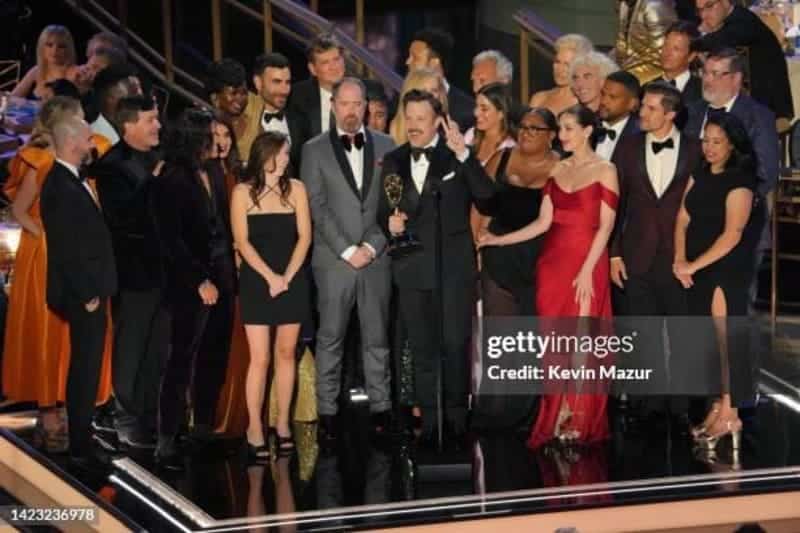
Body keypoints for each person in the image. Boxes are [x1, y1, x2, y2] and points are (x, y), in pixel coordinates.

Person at [479, 105, 619, 448]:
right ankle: (557, 414)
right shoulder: (558, 169)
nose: (563, 135)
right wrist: (497, 239)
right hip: (552, 266)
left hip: (587, 264)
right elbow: (542, 223)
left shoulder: (606, 170)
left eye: (570, 128)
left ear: (588, 131)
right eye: (561, 129)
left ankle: (577, 416)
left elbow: (606, 228)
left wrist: (588, 270)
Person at [377, 90, 495, 439]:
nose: (413, 126)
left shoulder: (455, 157)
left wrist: (464, 154)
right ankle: (429, 426)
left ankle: (458, 425)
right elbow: (385, 208)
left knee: (455, 345)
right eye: (409, 118)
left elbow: (489, 200)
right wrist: (390, 224)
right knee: (424, 347)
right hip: (412, 268)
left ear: (438, 123)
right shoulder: (394, 159)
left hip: (454, 270)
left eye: (421, 119)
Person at [2, 97, 113, 417]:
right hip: (47, 259)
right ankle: (51, 410)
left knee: (75, 340)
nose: (88, 127)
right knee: (50, 332)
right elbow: (20, 211)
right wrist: (47, 235)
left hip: (78, 255)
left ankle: (72, 410)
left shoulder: (83, 163)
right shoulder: (42, 163)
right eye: (80, 120)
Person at [302, 78, 396, 443]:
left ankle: (382, 410)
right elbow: (317, 206)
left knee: (377, 337)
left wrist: (371, 248)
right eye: (345, 104)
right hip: (333, 261)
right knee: (330, 338)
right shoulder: (314, 150)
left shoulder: (387, 146)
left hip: (376, 258)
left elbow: (392, 203)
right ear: (333, 106)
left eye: (358, 104)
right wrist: (346, 250)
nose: (352, 111)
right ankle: (327, 413)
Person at [673, 112, 765, 459]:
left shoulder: (740, 182)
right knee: (711, 344)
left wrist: (692, 264)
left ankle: (732, 414)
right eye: (706, 140)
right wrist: (680, 260)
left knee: (729, 343)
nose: (709, 148)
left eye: (717, 142)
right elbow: (682, 218)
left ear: (733, 145)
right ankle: (718, 406)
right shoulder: (699, 174)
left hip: (725, 269)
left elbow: (732, 235)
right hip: (695, 268)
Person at [610, 82, 701, 424]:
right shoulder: (628, 147)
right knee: (641, 334)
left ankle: (682, 409)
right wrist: (614, 253)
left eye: (650, 108)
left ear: (670, 113)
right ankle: (643, 407)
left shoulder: (695, 149)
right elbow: (615, 204)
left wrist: (696, 257)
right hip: (637, 255)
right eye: (642, 107)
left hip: (681, 257)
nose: (641, 113)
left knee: (683, 334)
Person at [150, 109, 236, 470]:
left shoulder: (214, 172)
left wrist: (224, 275)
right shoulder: (172, 179)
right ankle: (167, 440)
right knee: (181, 360)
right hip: (189, 283)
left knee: (214, 355)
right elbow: (171, 241)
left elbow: (221, 226)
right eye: (208, 136)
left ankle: (202, 429)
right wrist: (199, 281)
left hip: (222, 274)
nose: (216, 142)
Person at [40, 116, 117, 471]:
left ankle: (83, 438)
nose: (93, 145)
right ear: (72, 142)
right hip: (83, 292)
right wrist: (87, 292)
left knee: (86, 367)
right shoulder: (58, 185)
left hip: (91, 289)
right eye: (88, 139)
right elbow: (66, 247)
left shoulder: (70, 180)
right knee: (84, 369)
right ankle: (81, 448)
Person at [230, 131, 312, 461]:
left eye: (287, 154)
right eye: (281, 154)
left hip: (291, 279)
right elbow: (242, 242)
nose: (286, 160)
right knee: (260, 358)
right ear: (265, 156)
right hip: (257, 281)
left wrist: (287, 278)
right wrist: (270, 277)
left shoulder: (298, 189)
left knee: (287, 352)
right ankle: (254, 427)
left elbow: (304, 238)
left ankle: (282, 424)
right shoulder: (241, 193)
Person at [93, 95, 165, 449]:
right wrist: (152, 182)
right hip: (134, 274)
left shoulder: (159, 158)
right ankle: (125, 419)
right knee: (132, 347)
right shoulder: (110, 165)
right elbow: (120, 221)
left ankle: (151, 418)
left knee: (158, 349)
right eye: (151, 120)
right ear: (128, 125)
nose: (158, 126)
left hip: (165, 273)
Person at [477, 107, 560, 318]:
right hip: (498, 257)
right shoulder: (501, 159)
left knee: (536, 338)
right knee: (501, 338)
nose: (525, 133)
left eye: (534, 128)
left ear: (551, 135)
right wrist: (477, 247)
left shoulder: (563, 166)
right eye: (523, 127)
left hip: (542, 261)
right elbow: (480, 206)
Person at [685, 48, 779, 202]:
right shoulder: (690, 112)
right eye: (705, 73)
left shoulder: (758, 116)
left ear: (736, 78)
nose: (707, 80)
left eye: (715, 74)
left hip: (737, 211)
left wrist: (736, 205)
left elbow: (766, 173)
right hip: (692, 209)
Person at [691, 0, 793, 121]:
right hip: (745, 105)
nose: (704, 15)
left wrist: (690, 44)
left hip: (767, 110)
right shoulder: (729, 23)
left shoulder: (744, 21)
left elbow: (722, 38)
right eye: (700, 10)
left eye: (709, 6)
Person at [239, 53, 310, 171]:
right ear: (258, 83)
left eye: (287, 82)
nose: (284, 90)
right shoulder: (241, 122)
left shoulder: (300, 120)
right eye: (277, 82)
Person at [466, 83, 517, 242]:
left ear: (501, 113)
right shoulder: (471, 136)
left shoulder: (510, 147)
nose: (476, 113)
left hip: (488, 224)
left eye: (484, 108)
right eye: (476, 107)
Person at [406, 27, 475, 131]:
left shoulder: (467, 111)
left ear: (434, 63)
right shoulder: (401, 98)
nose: (407, 62)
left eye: (415, 57)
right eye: (409, 56)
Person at [288, 33, 347, 137]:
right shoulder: (296, 97)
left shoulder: (361, 92)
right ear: (313, 69)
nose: (333, 67)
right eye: (325, 62)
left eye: (336, 59)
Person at [613, 0, 678, 83]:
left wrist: (629, 75)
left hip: (654, 75)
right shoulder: (624, 5)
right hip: (630, 70)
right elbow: (621, 45)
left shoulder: (654, 6)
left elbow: (663, 54)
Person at [530, 34, 594, 115]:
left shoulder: (586, 103)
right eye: (557, 62)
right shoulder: (539, 98)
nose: (560, 69)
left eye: (567, 64)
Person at [12, 25, 79, 99]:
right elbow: (13, 98)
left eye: (61, 46)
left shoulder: (76, 73)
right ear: (41, 47)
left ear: (68, 49)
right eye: (49, 45)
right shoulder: (36, 71)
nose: (54, 50)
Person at [389, 68, 448, 145]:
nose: (430, 96)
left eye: (434, 90)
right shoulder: (397, 128)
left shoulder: (448, 128)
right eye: (424, 91)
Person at [90, 64, 143, 146]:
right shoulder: (95, 137)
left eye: (139, 87)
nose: (139, 94)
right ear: (109, 96)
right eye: (131, 87)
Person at [596, 70, 641, 163]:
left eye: (612, 97)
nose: (603, 101)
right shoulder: (586, 124)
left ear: (632, 104)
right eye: (603, 94)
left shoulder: (640, 137)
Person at [206, 58, 250, 153]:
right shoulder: (202, 133)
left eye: (244, 93)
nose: (240, 99)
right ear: (215, 98)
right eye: (233, 93)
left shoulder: (252, 125)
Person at [657, 21, 702, 106]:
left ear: (691, 56)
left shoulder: (702, 91)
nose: (667, 53)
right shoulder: (647, 88)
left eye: (676, 49)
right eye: (666, 45)